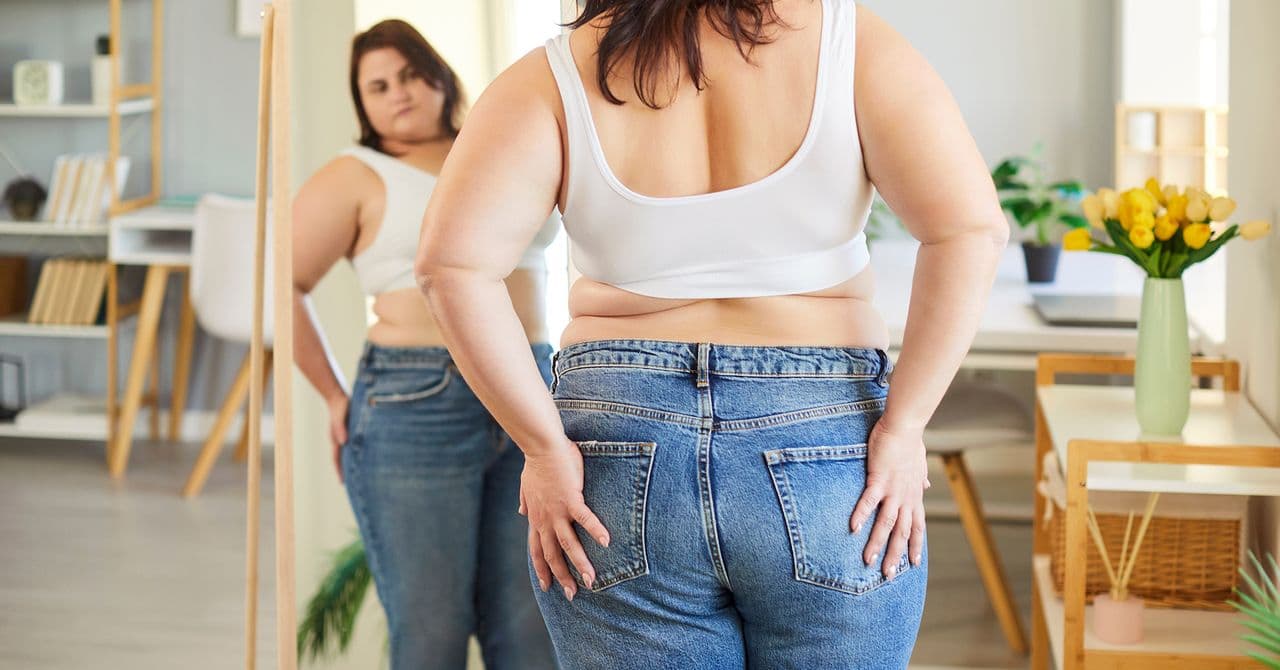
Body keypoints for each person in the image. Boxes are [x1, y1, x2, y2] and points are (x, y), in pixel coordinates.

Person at [415, 1, 1007, 667]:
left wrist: (543, 449)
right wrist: (904, 428)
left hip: (616, 444)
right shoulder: (848, 40)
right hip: (823, 435)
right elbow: (971, 230)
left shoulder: (552, 74)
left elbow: (450, 267)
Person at [291, 19, 558, 670]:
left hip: (533, 385)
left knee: (532, 627)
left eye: (410, 74)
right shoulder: (357, 175)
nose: (400, 93)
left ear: (439, 76)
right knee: (431, 632)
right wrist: (333, 395)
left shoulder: (497, 146)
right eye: (378, 86)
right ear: (362, 104)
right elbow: (281, 286)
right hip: (416, 400)